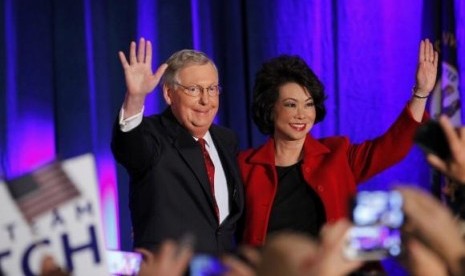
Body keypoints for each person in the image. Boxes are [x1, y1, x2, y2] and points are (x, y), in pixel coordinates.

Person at [237, 39, 438, 247]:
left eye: (308, 105)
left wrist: (421, 93)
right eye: (290, 105)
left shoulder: (337, 154)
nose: (301, 115)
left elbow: (391, 148)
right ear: (270, 109)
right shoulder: (244, 166)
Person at [111, 38, 244, 254]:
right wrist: (135, 98)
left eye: (212, 89)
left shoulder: (227, 140)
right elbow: (130, 148)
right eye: (193, 89)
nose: (205, 100)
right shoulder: (152, 135)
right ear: (168, 93)